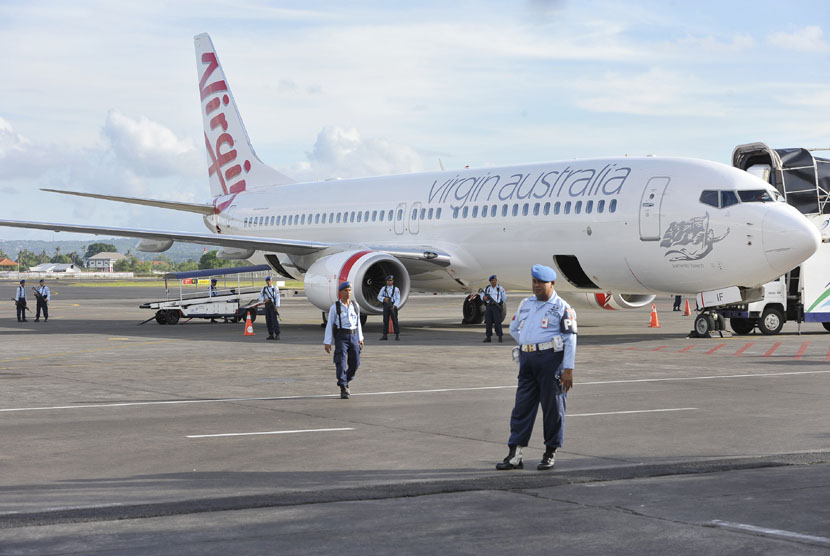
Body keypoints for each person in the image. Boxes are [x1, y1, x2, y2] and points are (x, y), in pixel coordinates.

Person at [496, 264, 577, 471]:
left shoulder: (562, 307)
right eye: (534, 281)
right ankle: (515, 454)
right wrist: (528, 344)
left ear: (552, 284)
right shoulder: (526, 304)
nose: (536, 286)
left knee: (553, 409)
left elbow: (570, 339)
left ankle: (550, 451)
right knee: (521, 407)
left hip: (551, 360)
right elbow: (514, 328)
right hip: (528, 360)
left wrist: (568, 369)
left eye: (541, 282)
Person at [324, 282, 364, 399]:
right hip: (342, 336)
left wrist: (360, 338)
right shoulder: (335, 307)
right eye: (346, 290)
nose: (348, 293)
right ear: (340, 293)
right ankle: (343, 387)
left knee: (355, 362)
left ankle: (345, 380)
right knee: (340, 361)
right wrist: (327, 341)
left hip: (354, 335)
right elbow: (330, 324)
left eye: (349, 290)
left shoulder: (355, 306)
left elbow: (358, 323)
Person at [480, 274, 506, 343]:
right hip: (489, 306)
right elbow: (482, 295)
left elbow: (504, 298)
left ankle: (500, 336)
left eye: (495, 280)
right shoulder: (487, 288)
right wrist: (483, 298)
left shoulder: (500, 288)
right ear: (490, 281)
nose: (494, 281)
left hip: (496, 307)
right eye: (492, 280)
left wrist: (500, 304)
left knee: (497, 322)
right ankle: (488, 337)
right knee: (488, 322)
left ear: (496, 280)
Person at [377, 274, 401, 341]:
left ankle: (397, 334)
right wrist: (384, 299)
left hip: (393, 304)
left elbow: (398, 298)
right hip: (386, 304)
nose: (389, 282)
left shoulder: (396, 289)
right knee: (385, 320)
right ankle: (385, 335)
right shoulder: (384, 289)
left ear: (393, 281)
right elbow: (379, 296)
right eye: (388, 280)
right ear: (386, 281)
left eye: (391, 280)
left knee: (395, 320)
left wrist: (395, 305)